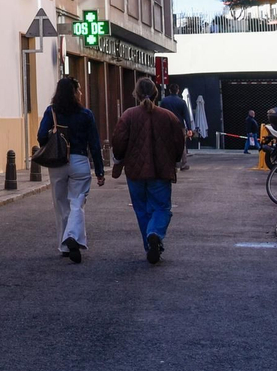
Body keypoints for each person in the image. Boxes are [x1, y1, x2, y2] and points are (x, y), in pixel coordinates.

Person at [113, 77, 188, 265]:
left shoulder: (128, 115)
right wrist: (176, 161)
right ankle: (155, 234)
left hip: (135, 172)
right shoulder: (168, 116)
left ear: (136, 95)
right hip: (161, 171)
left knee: (141, 209)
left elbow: (119, 141)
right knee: (162, 207)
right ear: (156, 94)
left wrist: (119, 159)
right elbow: (179, 141)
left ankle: (150, 243)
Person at [39, 76, 104, 264]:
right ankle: (73, 237)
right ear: (74, 92)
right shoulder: (86, 114)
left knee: (60, 204)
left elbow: (41, 136)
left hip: (57, 162)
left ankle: (65, 245)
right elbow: (94, 144)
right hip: (79, 161)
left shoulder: (51, 112)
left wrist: (54, 135)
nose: (81, 93)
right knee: (77, 202)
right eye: (79, 89)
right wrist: (99, 171)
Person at [158, 85, 193, 171]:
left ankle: (171, 164)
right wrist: (189, 129)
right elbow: (186, 116)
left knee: (168, 144)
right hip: (180, 126)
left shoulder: (164, 101)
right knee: (182, 144)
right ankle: (183, 164)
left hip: (167, 126)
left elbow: (159, 114)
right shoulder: (182, 102)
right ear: (178, 91)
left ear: (169, 90)